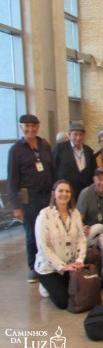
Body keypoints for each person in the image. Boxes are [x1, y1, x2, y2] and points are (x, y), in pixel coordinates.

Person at [7, 114, 56, 282]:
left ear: (38, 126)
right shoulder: (16, 150)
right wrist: (16, 206)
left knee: (49, 230)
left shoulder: (44, 145)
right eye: (27, 126)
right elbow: (12, 180)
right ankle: (33, 267)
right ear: (21, 127)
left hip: (46, 195)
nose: (30, 129)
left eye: (33, 125)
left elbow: (52, 169)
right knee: (32, 233)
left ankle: (48, 262)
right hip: (29, 198)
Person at [34, 180, 86, 309]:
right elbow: (43, 247)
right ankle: (45, 284)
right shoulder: (44, 215)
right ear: (53, 194)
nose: (64, 194)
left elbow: (81, 239)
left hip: (71, 264)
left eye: (67, 191)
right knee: (63, 302)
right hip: (49, 267)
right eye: (60, 191)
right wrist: (62, 266)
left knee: (81, 294)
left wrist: (80, 260)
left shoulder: (75, 214)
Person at [53, 123, 95, 201]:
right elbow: (53, 167)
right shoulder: (60, 148)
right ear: (69, 135)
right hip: (65, 191)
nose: (78, 138)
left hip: (84, 192)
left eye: (81, 135)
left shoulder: (88, 150)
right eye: (75, 134)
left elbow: (92, 170)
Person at [77, 168, 103, 248]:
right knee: (98, 228)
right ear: (94, 180)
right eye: (99, 179)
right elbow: (78, 218)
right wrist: (83, 227)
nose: (102, 182)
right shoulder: (85, 193)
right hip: (90, 231)